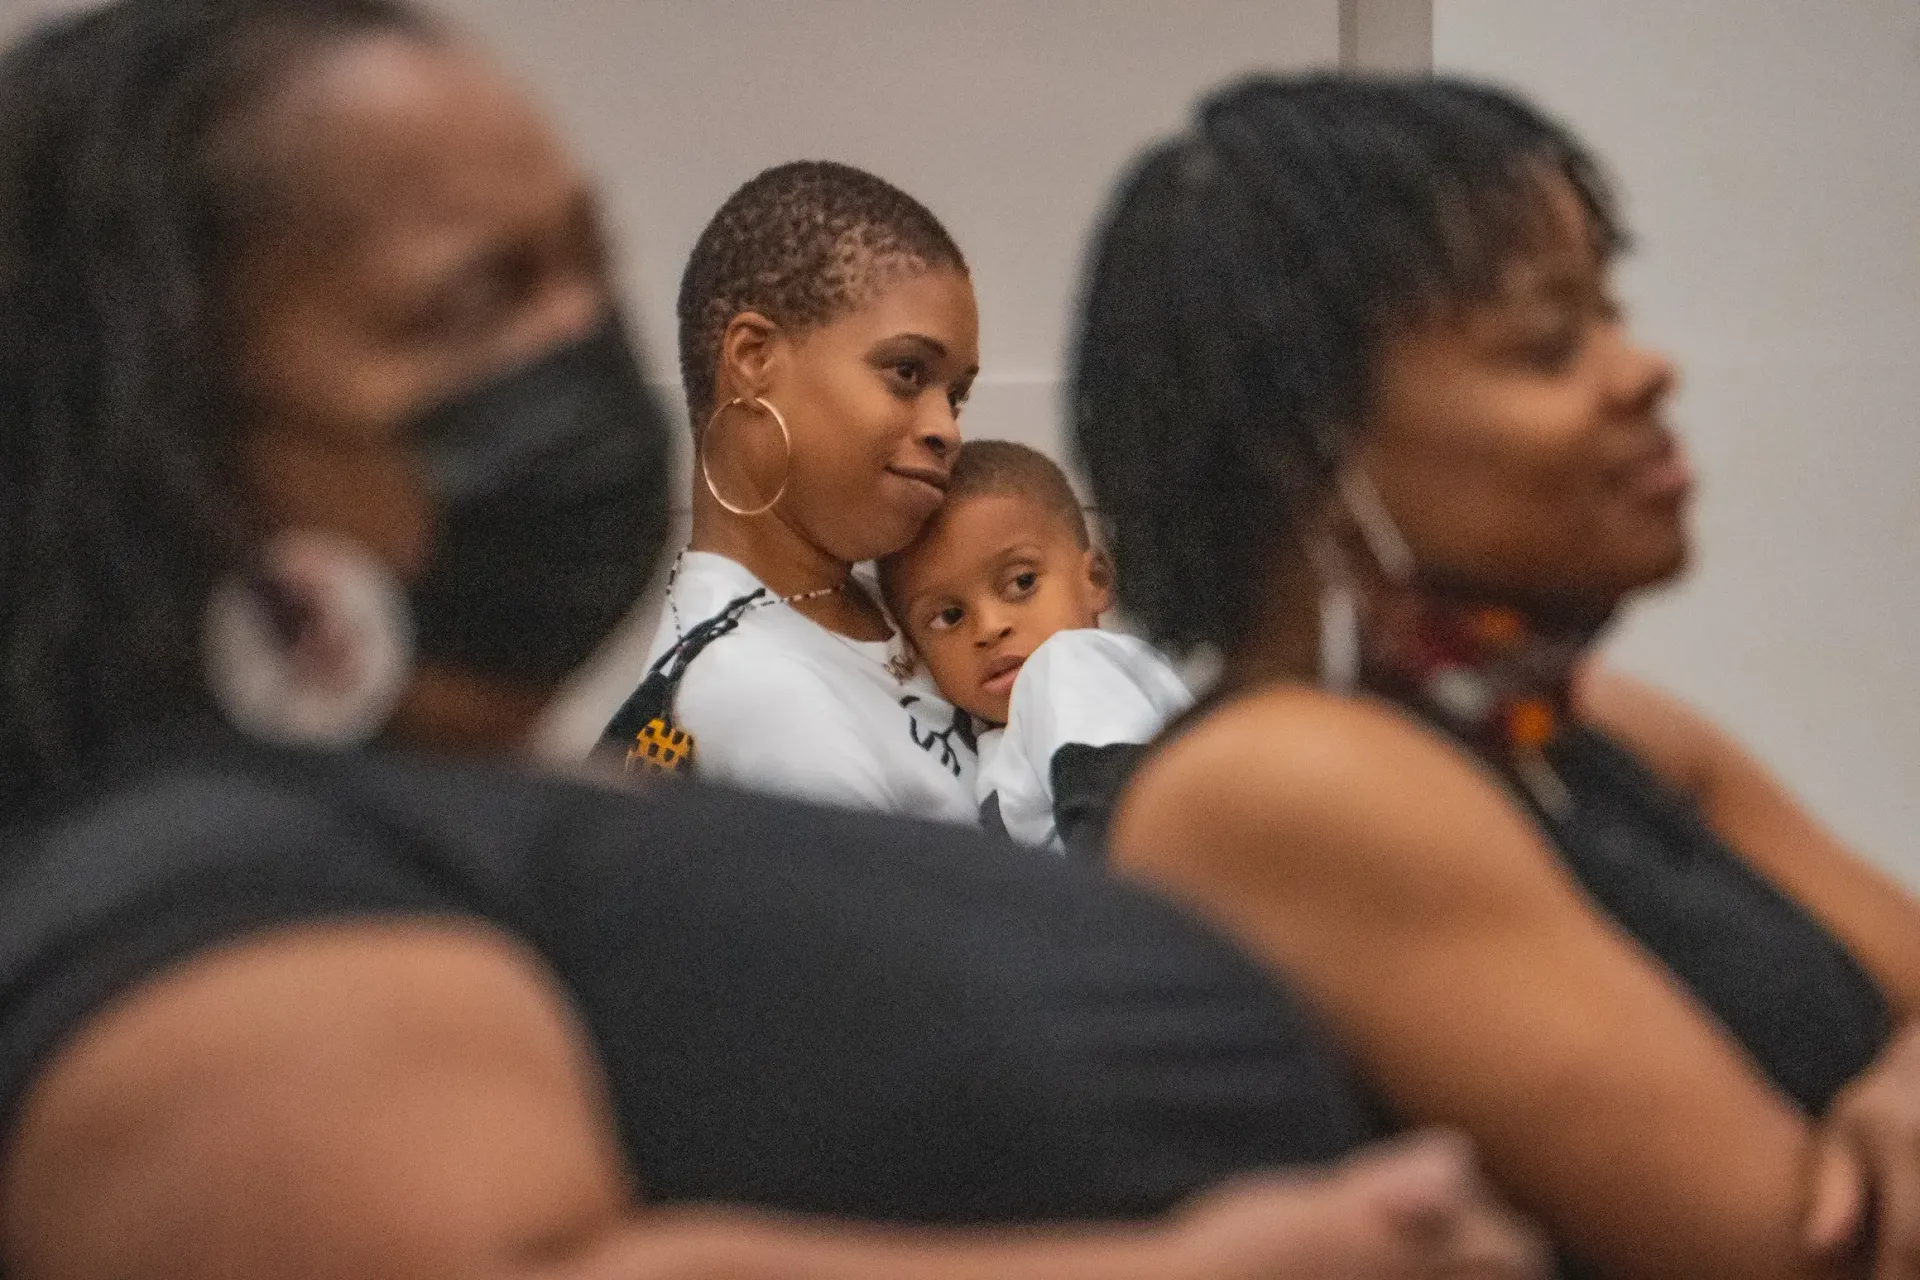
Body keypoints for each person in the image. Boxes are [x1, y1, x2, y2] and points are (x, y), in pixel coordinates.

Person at [0, 5, 1552, 1279]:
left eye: (579, 271)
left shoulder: (480, 813)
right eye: (479, 297)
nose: (580, 351)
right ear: (172, 423)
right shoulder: (197, 874)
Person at [1073, 72, 1920, 1279]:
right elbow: (1808, 1251)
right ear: (1308, 448)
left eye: (1610, 310)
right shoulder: (1282, 782)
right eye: (1547, 341)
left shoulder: (1589, 725)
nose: (1642, 369)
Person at [600, 161, 981, 821]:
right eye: (907, 372)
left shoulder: (884, 603)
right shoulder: (755, 691)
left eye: (957, 394)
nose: (946, 427)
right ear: (754, 360)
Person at [878, 439, 1191, 852]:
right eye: (949, 616)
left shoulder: (1071, 667)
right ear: (916, 651)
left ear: (1095, 579)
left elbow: (1120, 836)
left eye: (1022, 582)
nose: (989, 628)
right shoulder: (997, 731)